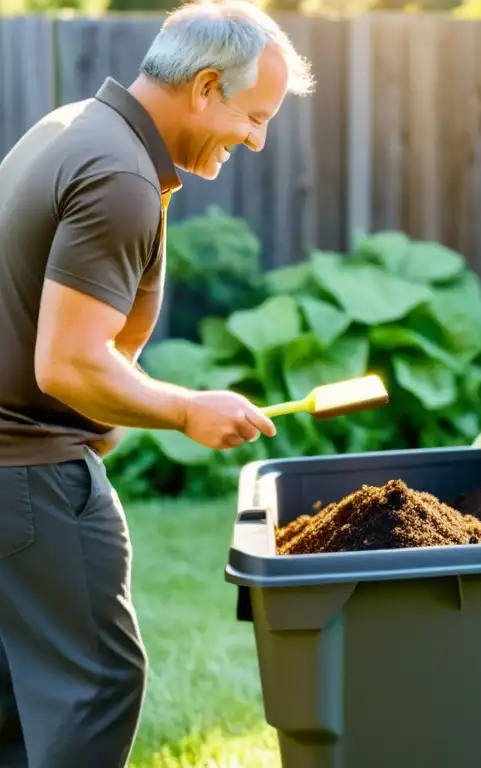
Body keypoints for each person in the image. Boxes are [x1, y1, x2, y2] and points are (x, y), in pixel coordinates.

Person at [0, 1, 313, 765]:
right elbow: (68, 362)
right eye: (254, 116)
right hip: (31, 477)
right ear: (206, 86)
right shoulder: (118, 174)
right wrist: (184, 409)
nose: (257, 139)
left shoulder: (73, 127)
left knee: (16, 698)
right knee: (98, 684)